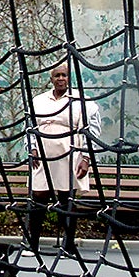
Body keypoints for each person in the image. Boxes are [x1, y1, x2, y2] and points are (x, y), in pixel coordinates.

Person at [26, 63, 100, 254]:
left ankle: (68, 245)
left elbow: (93, 131)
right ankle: (32, 243)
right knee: (38, 196)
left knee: (66, 198)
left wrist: (86, 158)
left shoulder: (81, 101)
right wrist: (32, 148)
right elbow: (29, 127)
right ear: (51, 79)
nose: (61, 79)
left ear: (69, 78)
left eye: (64, 75)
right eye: (57, 75)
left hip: (68, 153)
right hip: (43, 155)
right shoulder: (38, 101)